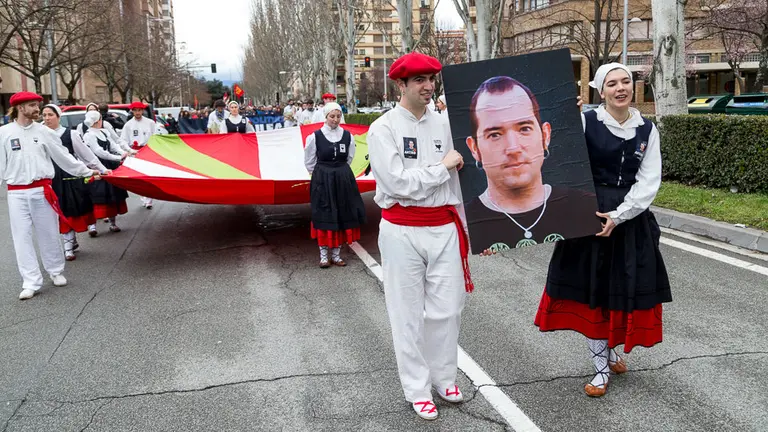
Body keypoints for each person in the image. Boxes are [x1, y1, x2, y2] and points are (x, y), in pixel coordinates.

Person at [534, 63, 672, 397]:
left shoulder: (646, 129)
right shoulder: (586, 121)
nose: (621, 88)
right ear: (600, 90)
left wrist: (620, 215)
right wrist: (565, 123)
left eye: (626, 81)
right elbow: (554, 156)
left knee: (620, 289)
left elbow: (649, 180)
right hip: (588, 217)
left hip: (629, 220)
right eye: (612, 83)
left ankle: (610, 353)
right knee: (595, 292)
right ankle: (599, 369)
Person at [368, 52, 472, 421]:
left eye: (432, 80)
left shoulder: (446, 123)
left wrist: (476, 229)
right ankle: (416, 388)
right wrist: (441, 168)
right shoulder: (382, 128)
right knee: (407, 314)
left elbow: (464, 179)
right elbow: (397, 183)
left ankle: (444, 378)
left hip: (444, 226)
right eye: (420, 81)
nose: (429, 87)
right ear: (401, 85)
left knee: (448, 310)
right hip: (401, 230)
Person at [463, 76, 601, 252]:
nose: (513, 148)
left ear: (545, 136)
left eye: (524, 129)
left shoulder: (586, 208)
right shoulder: (467, 222)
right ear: (474, 148)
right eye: (495, 134)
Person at [0, 92, 101, 300]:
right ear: (20, 108)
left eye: (38, 105)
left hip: (42, 190)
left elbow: (63, 156)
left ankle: (55, 270)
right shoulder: (4, 133)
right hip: (17, 193)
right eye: (32, 106)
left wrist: (87, 171)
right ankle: (30, 281)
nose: (38, 109)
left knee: (48, 232)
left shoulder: (44, 132)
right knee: (22, 238)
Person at [42, 104, 111, 260]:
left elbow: (87, 155)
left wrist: (101, 168)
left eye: (50, 115)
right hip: (50, 178)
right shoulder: (40, 135)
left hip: (70, 177)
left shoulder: (70, 134)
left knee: (71, 209)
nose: (46, 118)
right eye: (44, 115)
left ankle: (69, 244)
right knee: (58, 212)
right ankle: (69, 243)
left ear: (58, 116)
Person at [304, 102, 366, 267]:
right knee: (324, 213)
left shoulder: (347, 136)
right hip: (323, 178)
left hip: (342, 177)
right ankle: (324, 255)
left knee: (341, 212)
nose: (335, 119)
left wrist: (339, 172)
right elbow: (309, 161)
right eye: (332, 116)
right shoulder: (315, 136)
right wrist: (320, 174)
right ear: (325, 116)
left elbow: (349, 157)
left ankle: (337, 254)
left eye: (338, 116)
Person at [83, 111, 130, 233]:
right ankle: (92, 226)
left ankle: (113, 223)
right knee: (95, 196)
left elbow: (113, 145)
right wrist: (117, 157)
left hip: (109, 165)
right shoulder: (88, 135)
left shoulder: (104, 132)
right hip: (95, 167)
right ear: (98, 120)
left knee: (112, 195)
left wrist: (122, 153)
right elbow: (98, 151)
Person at [120, 101, 157, 209]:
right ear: (132, 111)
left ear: (142, 111)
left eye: (139, 110)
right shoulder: (128, 125)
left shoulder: (150, 123)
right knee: (139, 177)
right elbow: (123, 140)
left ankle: (149, 199)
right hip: (135, 152)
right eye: (135, 110)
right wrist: (129, 150)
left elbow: (156, 137)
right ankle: (143, 196)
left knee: (149, 175)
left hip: (148, 150)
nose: (137, 113)